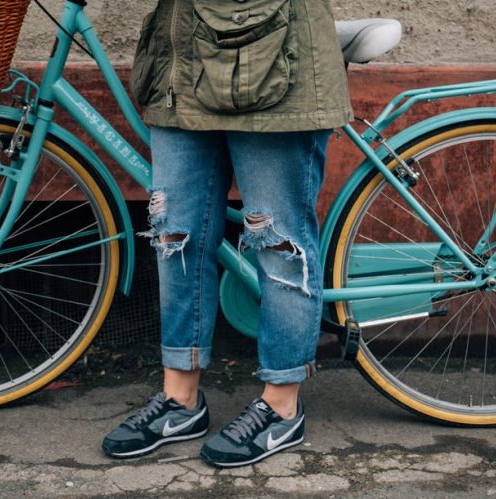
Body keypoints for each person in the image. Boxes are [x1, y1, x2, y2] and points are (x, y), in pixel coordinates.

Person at [102, 0, 351, 468]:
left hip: (274, 63)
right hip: (180, 70)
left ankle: (282, 405)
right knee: (175, 239)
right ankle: (181, 401)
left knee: (278, 244)